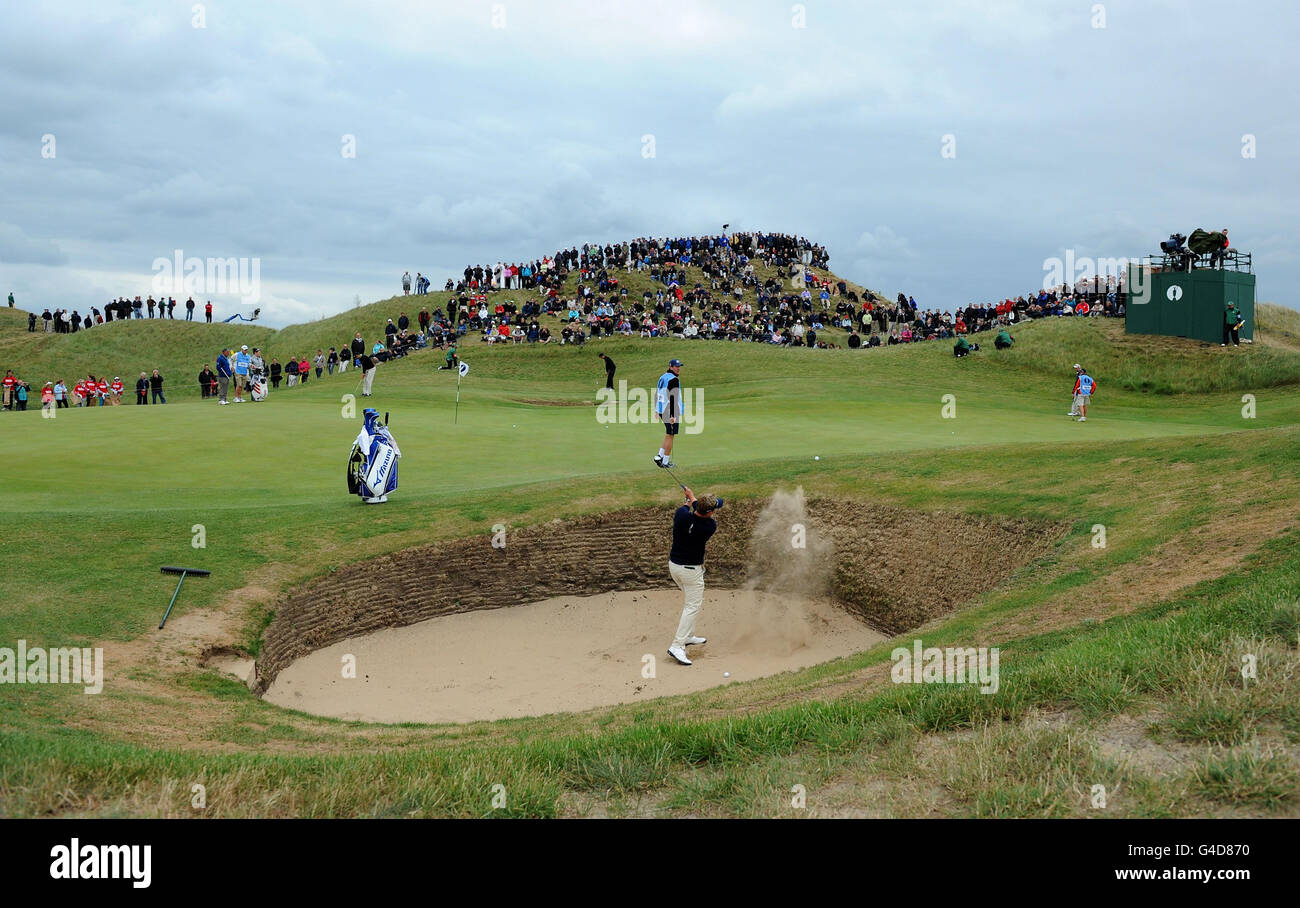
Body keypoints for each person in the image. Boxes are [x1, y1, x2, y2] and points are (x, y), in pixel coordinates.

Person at [666, 486, 723, 666]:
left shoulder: (681, 515)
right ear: (711, 512)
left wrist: (689, 498)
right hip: (690, 571)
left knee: (690, 603)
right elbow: (697, 508)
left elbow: (688, 508)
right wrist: (692, 498)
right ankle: (677, 645)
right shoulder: (709, 526)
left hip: (674, 567)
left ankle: (688, 635)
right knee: (693, 606)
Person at [653, 358, 683, 469]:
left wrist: (657, 410)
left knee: (668, 434)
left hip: (661, 409)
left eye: (679, 366)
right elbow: (673, 397)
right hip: (669, 410)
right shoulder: (673, 380)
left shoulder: (663, 377)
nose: (678, 368)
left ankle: (660, 455)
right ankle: (665, 462)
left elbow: (658, 393)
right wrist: (673, 415)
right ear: (671, 367)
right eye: (676, 366)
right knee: (671, 435)